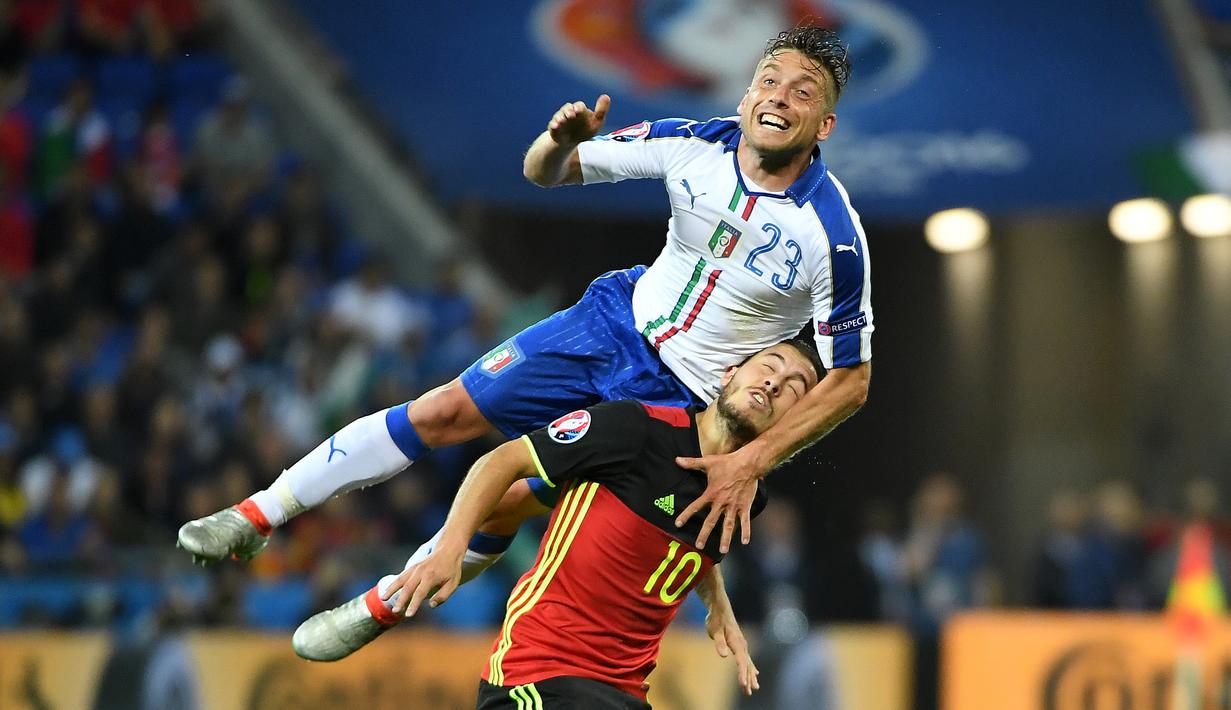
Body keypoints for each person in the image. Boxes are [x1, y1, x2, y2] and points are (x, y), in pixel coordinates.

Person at [178, 25, 870, 586]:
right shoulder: (694, 142)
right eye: (769, 80)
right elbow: (543, 172)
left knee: (510, 501)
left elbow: (851, 380)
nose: (779, 96)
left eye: (802, 91)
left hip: (679, 401)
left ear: (824, 123)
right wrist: (558, 142)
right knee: (445, 410)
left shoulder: (831, 236)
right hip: (609, 325)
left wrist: (753, 460)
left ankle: (381, 608)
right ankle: (254, 514)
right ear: (747, 93)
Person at [292, 340, 824, 709]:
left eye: (794, 388)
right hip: (541, 673)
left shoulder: (745, 498)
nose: (775, 383)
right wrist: (451, 546)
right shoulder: (635, 430)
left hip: (624, 694)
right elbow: (502, 462)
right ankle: (381, 600)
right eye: (768, 366)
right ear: (730, 373)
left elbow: (675, 542)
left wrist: (718, 604)